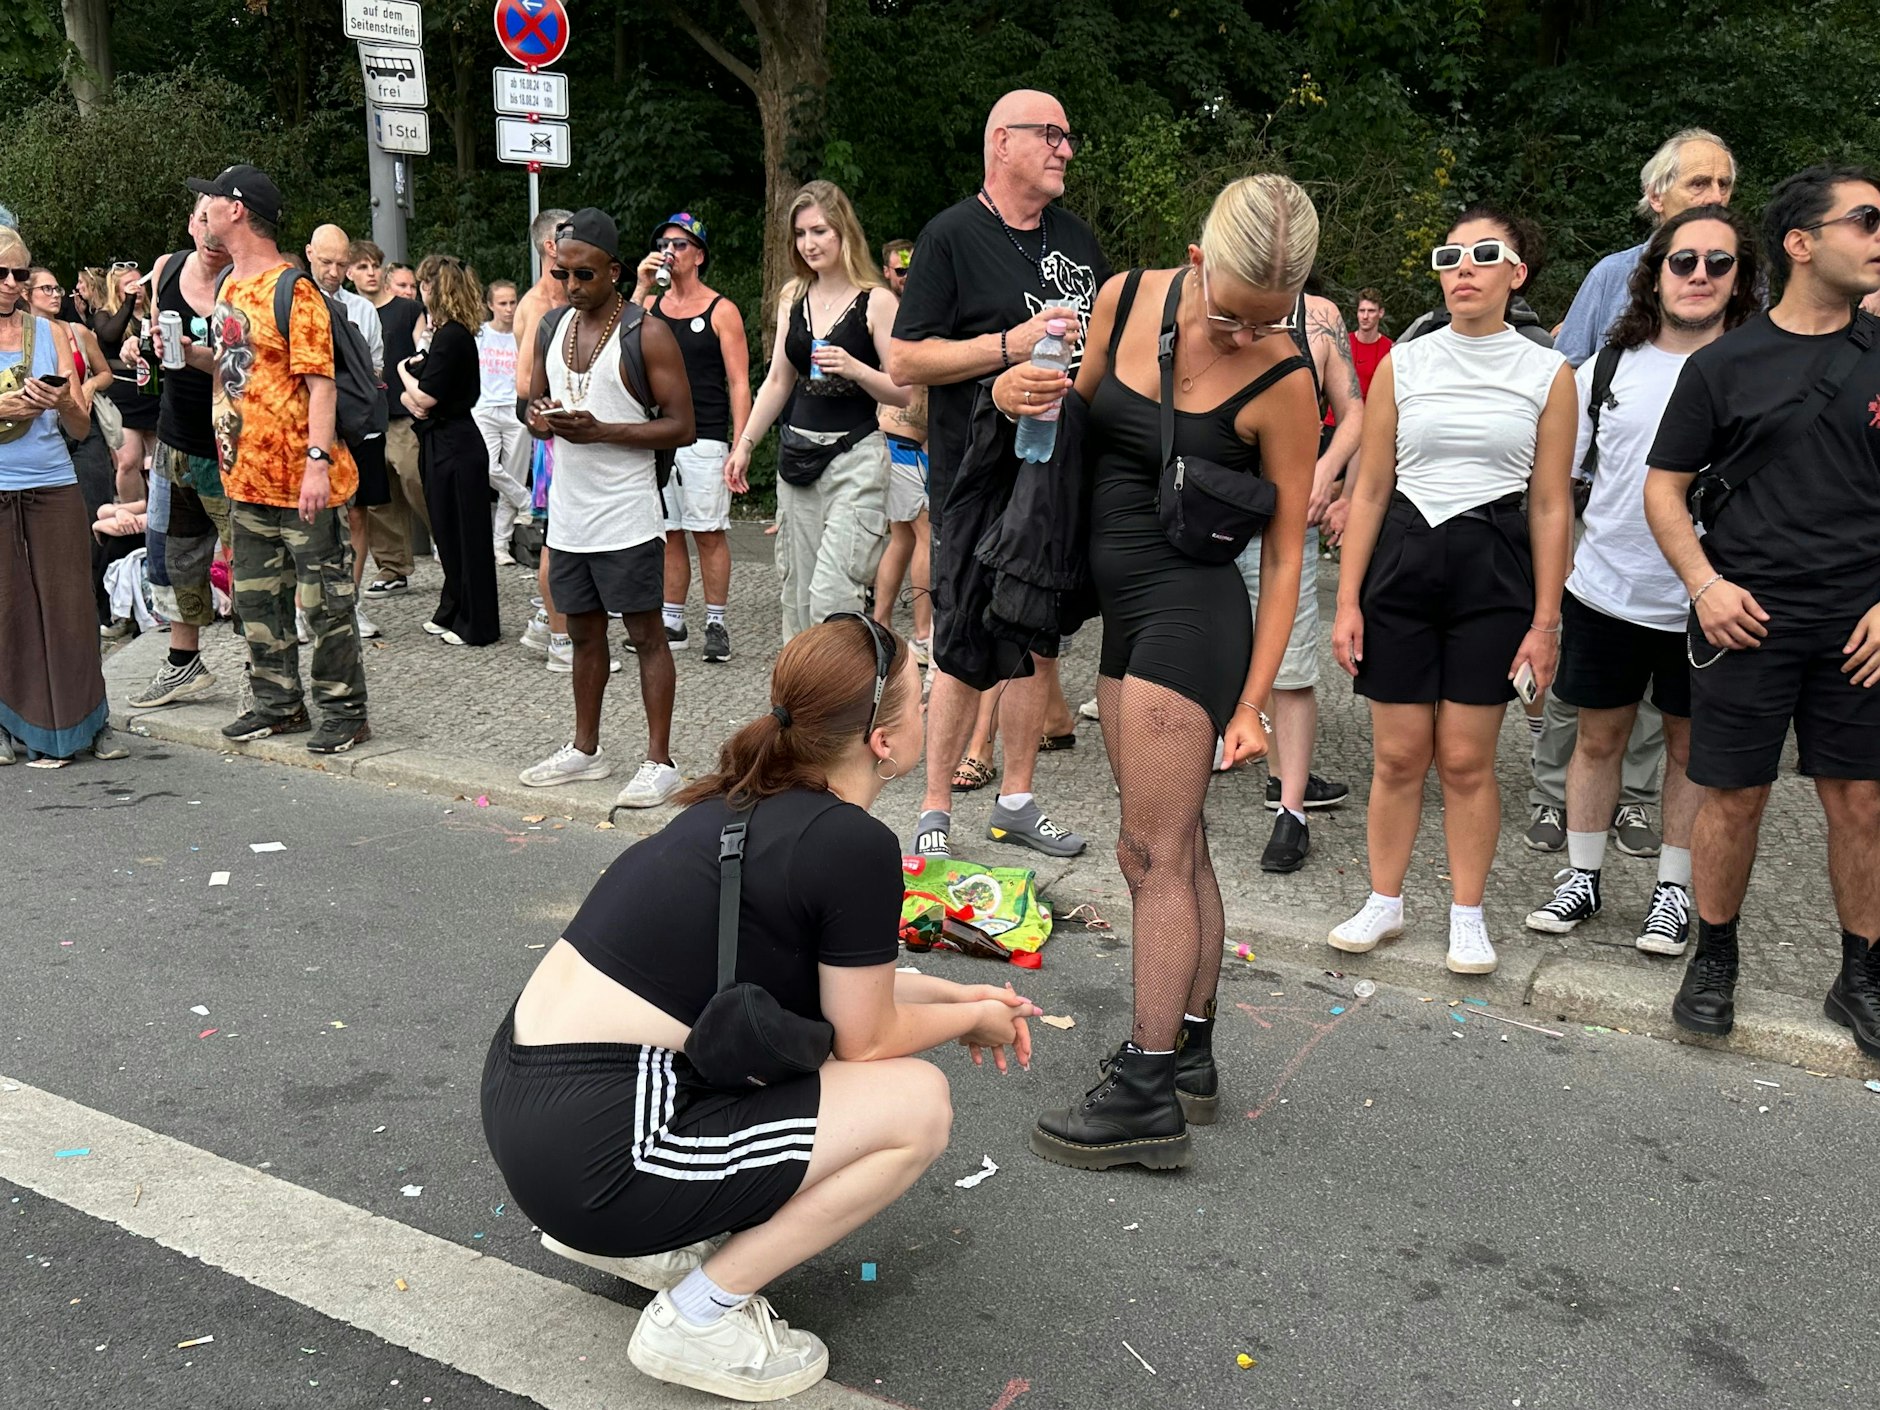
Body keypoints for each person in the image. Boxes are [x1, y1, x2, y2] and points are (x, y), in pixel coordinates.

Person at [483, 614, 1034, 1401]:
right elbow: (870, 1039)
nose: (934, 694)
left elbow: (851, 998)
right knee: (917, 1106)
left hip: (536, 1109)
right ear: (882, 742)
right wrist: (967, 1022)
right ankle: (698, 1317)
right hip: (599, 1154)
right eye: (923, 689)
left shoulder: (745, 801)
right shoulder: (852, 843)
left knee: (855, 1072)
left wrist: (967, 996)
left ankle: (635, 1242)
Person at [1008, 175, 1319, 1170]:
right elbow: (1065, 425)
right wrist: (1020, 384)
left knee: (1148, 858)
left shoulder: (1283, 380)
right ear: (1194, 262)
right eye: (1229, 310)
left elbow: (1280, 561)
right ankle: (1186, 1055)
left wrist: (1252, 702)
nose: (1244, 332)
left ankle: (1145, 1094)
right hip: (1121, 613)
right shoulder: (1128, 298)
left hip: (1192, 619)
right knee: (1179, 847)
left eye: (1270, 321)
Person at [1645, 166, 1880, 1058]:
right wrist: (1705, 585)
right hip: (1746, 619)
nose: (1879, 234)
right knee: (1732, 797)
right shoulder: (1721, 366)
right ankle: (1713, 959)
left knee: (1862, 800)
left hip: (1860, 626)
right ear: (1801, 242)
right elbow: (1663, 491)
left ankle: (1861, 972)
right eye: (1865, 219)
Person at [1329, 206, 1575, 976]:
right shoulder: (1408, 359)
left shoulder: (1549, 372)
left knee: (1468, 760)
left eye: (1484, 253)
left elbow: (1551, 504)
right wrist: (1346, 599)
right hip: (1403, 560)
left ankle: (1467, 915)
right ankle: (1385, 901)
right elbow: (1370, 488)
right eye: (1450, 255)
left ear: (1516, 272)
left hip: (1495, 570)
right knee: (1398, 755)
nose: (1464, 267)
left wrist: (1547, 619)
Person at [1524, 205, 1759, 958]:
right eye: (1682, 261)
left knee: (1692, 750)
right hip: (1608, 590)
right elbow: (1557, 487)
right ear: (1653, 275)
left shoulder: (1753, 370)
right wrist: (1549, 601)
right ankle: (1582, 877)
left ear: (1740, 278)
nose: (1698, 276)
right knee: (1598, 740)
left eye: (1717, 263)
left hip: (1709, 601)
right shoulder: (1607, 369)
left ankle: (1671, 892)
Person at [890, 89, 1110, 861]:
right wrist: (1007, 348)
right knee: (961, 638)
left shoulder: (1079, 243)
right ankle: (936, 804)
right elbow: (907, 358)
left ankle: (1016, 797)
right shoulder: (950, 236)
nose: (1064, 149)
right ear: (1000, 143)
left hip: (1055, 482)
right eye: (1050, 134)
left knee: (1036, 638)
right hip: (974, 475)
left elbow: (1100, 360)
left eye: (1067, 134)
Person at [187, 164, 370, 754]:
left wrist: (317, 462)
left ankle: (344, 713)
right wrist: (187, 353)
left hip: (301, 481)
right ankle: (278, 703)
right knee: (257, 601)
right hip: (245, 477)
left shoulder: (295, 288)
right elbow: (235, 368)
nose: (203, 211)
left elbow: (322, 384)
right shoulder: (228, 287)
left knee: (325, 604)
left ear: (236, 209)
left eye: (210, 201)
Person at [518, 208, 695, 809]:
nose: (572, 286)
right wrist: (539, 420)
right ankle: (586, 749)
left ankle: (660, 761)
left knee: (646, 635)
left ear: (614, 272)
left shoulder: (646, 332)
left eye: (586, 276)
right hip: (568, 511)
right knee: (584, 634)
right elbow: (528, 405)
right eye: (563, 274)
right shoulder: (549, 327)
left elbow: (683, 426)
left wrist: (603, 432)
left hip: (627, 511)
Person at [728, 182, 906, 643]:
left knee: (833, 597)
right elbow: (778, 380)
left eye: (820, 231)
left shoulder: (877, 300)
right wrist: (745, 444)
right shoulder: (794, 295)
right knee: (798, 598)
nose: (809, 243)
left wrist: (856, 368)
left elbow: (904, 392)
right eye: (801, 234)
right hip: (798, 457)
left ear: (844, 232)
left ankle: (842, 708)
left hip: (856, 458)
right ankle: (800, 709)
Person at [1233, 273, 1363, 873]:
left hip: (1285, 518)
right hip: (1210, 512)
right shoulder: (1203, 301)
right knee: (1198, 653)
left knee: (1291, 663)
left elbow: (1354, 409)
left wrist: (1329, 468)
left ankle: (1291, 809)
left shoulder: (1319, 316)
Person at [0, 231, 128, 765]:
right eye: (0, 274)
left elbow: (79, 426)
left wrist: (58, 401)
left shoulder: (51, 333)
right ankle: (9, 722)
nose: (11, 284)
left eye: (19, 274)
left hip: (54, 480)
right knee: (8, 606)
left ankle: (88, 722)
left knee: (72, 602)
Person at [123, 196, 234, 709]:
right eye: (202, 221)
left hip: (232, 446)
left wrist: (194, 356)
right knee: (176, 558)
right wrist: (134, 347)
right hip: (174, 442)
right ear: (192, 223)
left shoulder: (246, 282)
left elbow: (252, 370)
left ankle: (264, 673)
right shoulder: (166, 268)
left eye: (220, 225)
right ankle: (183, 662)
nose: (211, 237)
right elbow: (146, 338)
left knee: (247, 561)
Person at [634, 211, 751, 664]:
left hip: (704, 435)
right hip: (659, 435)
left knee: (708, 532)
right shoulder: (649, 308)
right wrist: (643, 287)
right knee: (668, 532)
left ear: (699, 255)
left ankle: (716, 621)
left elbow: (740, 382)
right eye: (664, 243)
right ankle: (672, 619)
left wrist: (741, 444)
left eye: (680, 244)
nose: (670, 251)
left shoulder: (721, 310)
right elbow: (615, 343)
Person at [1557, 130, 1738, 368]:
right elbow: (1562, 372)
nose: (1716, 197)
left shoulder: (1746, 274)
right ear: (1656, 196)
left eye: (1723, 184)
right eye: (1699, 183)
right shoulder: (1611, 275)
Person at [400, 257, 499, 647]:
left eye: (424, 284)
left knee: (466, 535)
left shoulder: (453, 336)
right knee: (447, 532)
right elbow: (419, 403)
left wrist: (401, 372)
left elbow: (423, 395)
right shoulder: (443, 334)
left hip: (456, 444)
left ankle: (476, 624)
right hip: (442, 439)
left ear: (433, 289)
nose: (421, 291)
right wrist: (414, 393)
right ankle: (453, 609)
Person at [27, 266, 126, 631]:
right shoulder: (17, 336)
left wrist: (87, 388)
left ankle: (98, 605)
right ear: (27, 294)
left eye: (58, 289)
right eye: (46, 289)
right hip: (41, 435)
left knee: (93, 515)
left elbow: (105, 373)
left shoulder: (77, 332)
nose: (56, 295)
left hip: (84, 431)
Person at [306, 223, 386, 642]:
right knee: (308, 517)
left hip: (357, 428)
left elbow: (375, 367)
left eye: (341, 264)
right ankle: (306, 606)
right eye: (326, 262)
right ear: (308, 255)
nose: (334, 271)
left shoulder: (362, 310)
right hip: (309, 429)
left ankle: (351, 602)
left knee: (358, 513)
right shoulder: (294, 302)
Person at [509, 208, 578, 668]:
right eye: (572, 236)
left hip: (573, 433)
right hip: (553, 439)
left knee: (569, 535)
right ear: (551, 246)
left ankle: (542, 622)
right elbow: (523, 386)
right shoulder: (536, 307)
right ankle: (560, 641)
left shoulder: (569, 299)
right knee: (559, 538)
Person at [355, 241, 429, 599]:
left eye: (375, 265)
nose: (370, 272)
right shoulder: (346, 310)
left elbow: (425, 355)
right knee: (377, 498)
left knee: (417, 481)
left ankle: (453, 548)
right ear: (350, 272)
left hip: (403, 414)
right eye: (362, 266)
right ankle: (392, 567)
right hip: (366, 417)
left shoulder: (408, 308)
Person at [872, 240, 933, 658]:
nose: (905, 277)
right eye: (899, 271)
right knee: (924, 535)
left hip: (911, 445)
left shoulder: (920, 310)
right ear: (886, 273)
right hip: (899, 441)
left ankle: (881, 622)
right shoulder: (892, 317)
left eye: (912, 269)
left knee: (903, 539)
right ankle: (925, 635)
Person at [473, 278, 533, 567]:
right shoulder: (479, 334)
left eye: (513, 302)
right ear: (490, 305)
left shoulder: (521, 334)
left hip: (515, 409)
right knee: (487, 466)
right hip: (484, 408)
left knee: (514, 473)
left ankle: (501, 545)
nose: (509, 309)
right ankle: (527, 500)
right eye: (503, 303)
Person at [90, 258, 159, 492]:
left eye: (140, 282)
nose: (137, 287)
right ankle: (132, 515)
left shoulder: (153, 313)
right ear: (116, 289)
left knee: (160, 461)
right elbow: (109, 336)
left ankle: (158, 513)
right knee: (129, 461)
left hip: (154, 392)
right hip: (124, 396)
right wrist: (128, 303)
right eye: (130, 283)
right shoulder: (105, 314)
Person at [1349, 287, 1391, 398]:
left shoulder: (1390, 349)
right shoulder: (1343, 343)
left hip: (1372, 413)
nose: (1365, 316)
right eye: (1362, 311)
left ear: (1381, 313)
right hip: (1337, 414)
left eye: (1371, 311)